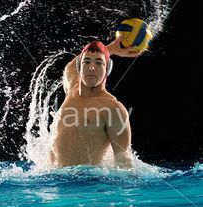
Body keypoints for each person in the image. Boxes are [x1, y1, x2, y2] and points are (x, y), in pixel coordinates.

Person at [49, 35, 140, 169]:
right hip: (52, 182)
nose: (92, 67)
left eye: (99, 63)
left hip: (87, 184)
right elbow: (70, 66)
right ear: (79, 66)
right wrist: (111, 48)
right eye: (87, 62)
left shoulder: (113, 108)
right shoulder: (72, 88)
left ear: (107, 69)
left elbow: (124, 161)